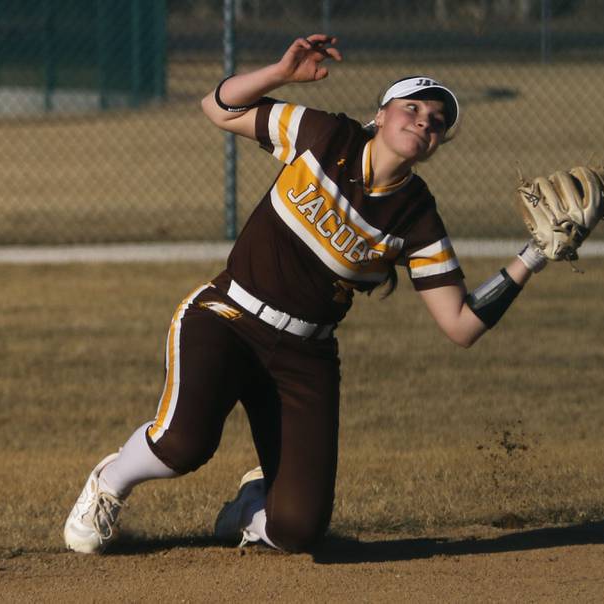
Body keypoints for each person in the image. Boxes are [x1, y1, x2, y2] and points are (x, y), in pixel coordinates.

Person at [63, 34, 549, 555]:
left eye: (437, 121)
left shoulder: (417, 219)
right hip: (228, 316)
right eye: (413, 108)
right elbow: (218, 108)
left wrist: (536, 254)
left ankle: (250, 509)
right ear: (381, 115)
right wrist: (279, 73)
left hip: (304, 355)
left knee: (298, 531)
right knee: (185, 445)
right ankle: (110, 484)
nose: (425, 122)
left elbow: (460, 325)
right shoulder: (326, 136)